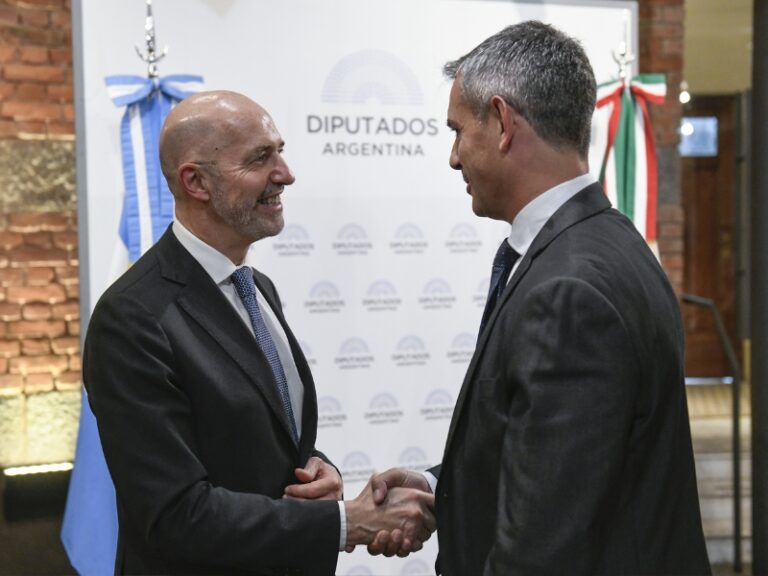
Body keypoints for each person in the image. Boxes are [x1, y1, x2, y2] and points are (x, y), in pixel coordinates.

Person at [369, 21, 711, 575]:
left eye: (458, 131)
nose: (454, 157)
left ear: (503, 123)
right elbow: (561, 462)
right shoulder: (607, 239)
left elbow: (544, 545)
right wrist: (440, 485)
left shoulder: (568, 292)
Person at [83, 90, 434, 575]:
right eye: (260, 158)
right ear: (196, 182)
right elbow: (175, 515)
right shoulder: (131, 317)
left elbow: (259, 437)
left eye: (280, 152)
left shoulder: (256, 287)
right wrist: (346, 522)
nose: (285, 174)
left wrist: (318, 470)